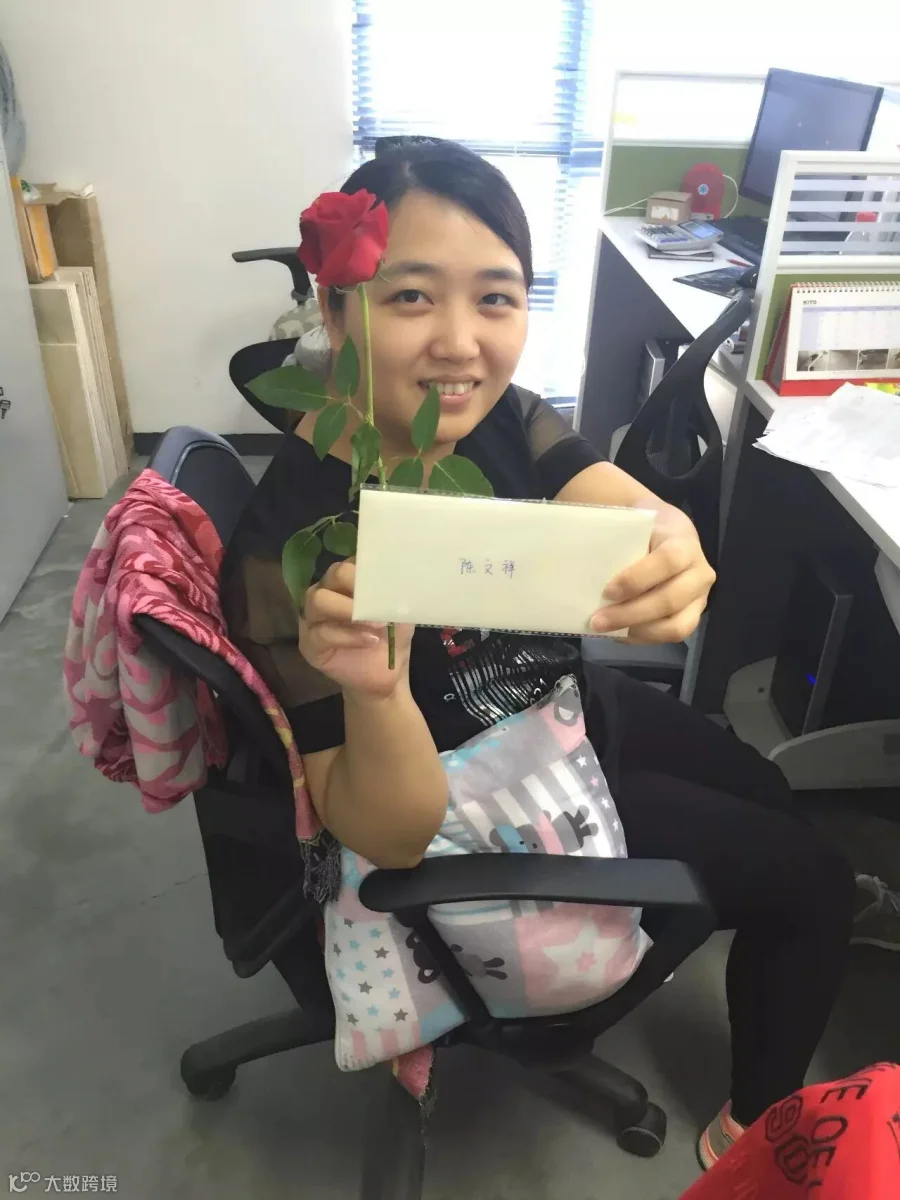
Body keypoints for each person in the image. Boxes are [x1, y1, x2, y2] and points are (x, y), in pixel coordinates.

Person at [221, 140, 856, 1167]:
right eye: (413, 297)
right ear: (336, 311)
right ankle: (753, 1141)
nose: (461, 344)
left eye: (497, 299)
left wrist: (671, 542)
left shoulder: (495, 418)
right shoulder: (285, 552)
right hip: (481, 807)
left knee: (772, 793)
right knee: (816, 883)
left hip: (559, 712)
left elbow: (615, 501)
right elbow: (389, 836)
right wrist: (377, 692)